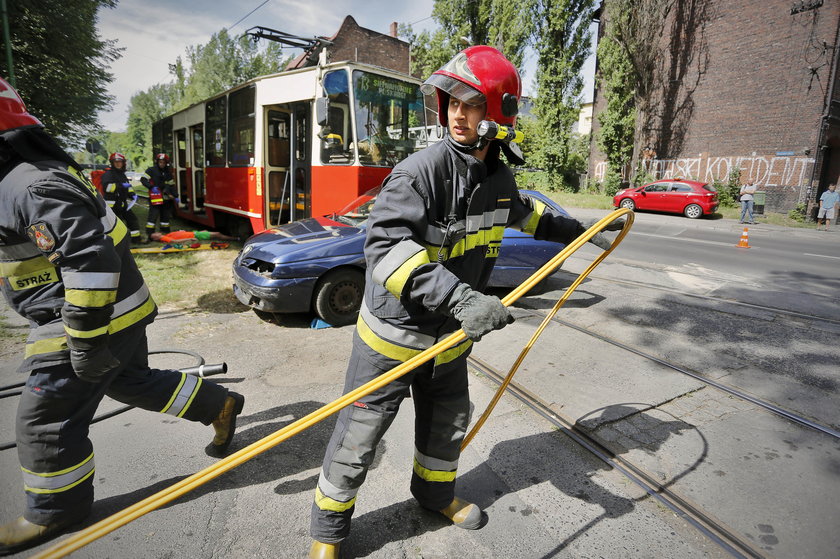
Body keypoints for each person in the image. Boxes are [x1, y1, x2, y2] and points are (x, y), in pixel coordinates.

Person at [307, 46, 623, 559]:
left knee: (446, 426)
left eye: (471, 103)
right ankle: (328, 533)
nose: (457, 112)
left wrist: (582, 232)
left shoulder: (497, 176)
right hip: (392, 341)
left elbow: (522, 214)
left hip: (450, 342)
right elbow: (384, 252)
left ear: (499, 111)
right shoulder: (420, 173)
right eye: (451, 100)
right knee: (358, 438)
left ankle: (434, 497)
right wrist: (462, 298)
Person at [0, 77, 245, 555]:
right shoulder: (29, 177)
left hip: (80, 318)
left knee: (45, 419)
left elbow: (89, 262)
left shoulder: (27, 185)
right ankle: (217, 404)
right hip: (115, 310)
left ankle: (54, 511)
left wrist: (85, 341)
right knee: (130, 382)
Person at [101, 152, 142, 244]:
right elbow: (107, 188)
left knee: (132, 220)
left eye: (120, 162)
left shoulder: (122, 174)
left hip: (123, 204)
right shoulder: (108, 174)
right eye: (116, 162)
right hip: (112, 206)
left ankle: (136, 240)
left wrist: (132, 194)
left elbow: (128, 187)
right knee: (116, 226)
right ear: (112, 163)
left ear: (123, 163)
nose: (118, 164)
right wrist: (121, 186)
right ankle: (118, 244)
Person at [141, 153, 176, 239]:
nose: (162, 164)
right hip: (155, 197)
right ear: (157, 162)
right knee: (153, 217)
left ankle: (165, 233)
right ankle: (150, 235)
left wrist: (175, 195)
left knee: (165, 218)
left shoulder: (168, 172)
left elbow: (171, 185)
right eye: (160, 162)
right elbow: (143, 179)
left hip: (166, 198)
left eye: (164, 162)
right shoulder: (151, 170)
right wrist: (151, 187)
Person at [148, 229, 238, 244]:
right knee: (217, 234)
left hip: (195, 233)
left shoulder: (165, 235)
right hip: (195, 235)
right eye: (154, 234)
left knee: (212, 233)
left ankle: (234, 237)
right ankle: (235, 238)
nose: (156, 233)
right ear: (155, 238)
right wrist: (190, 238)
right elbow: (174, 242)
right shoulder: (164, 238)